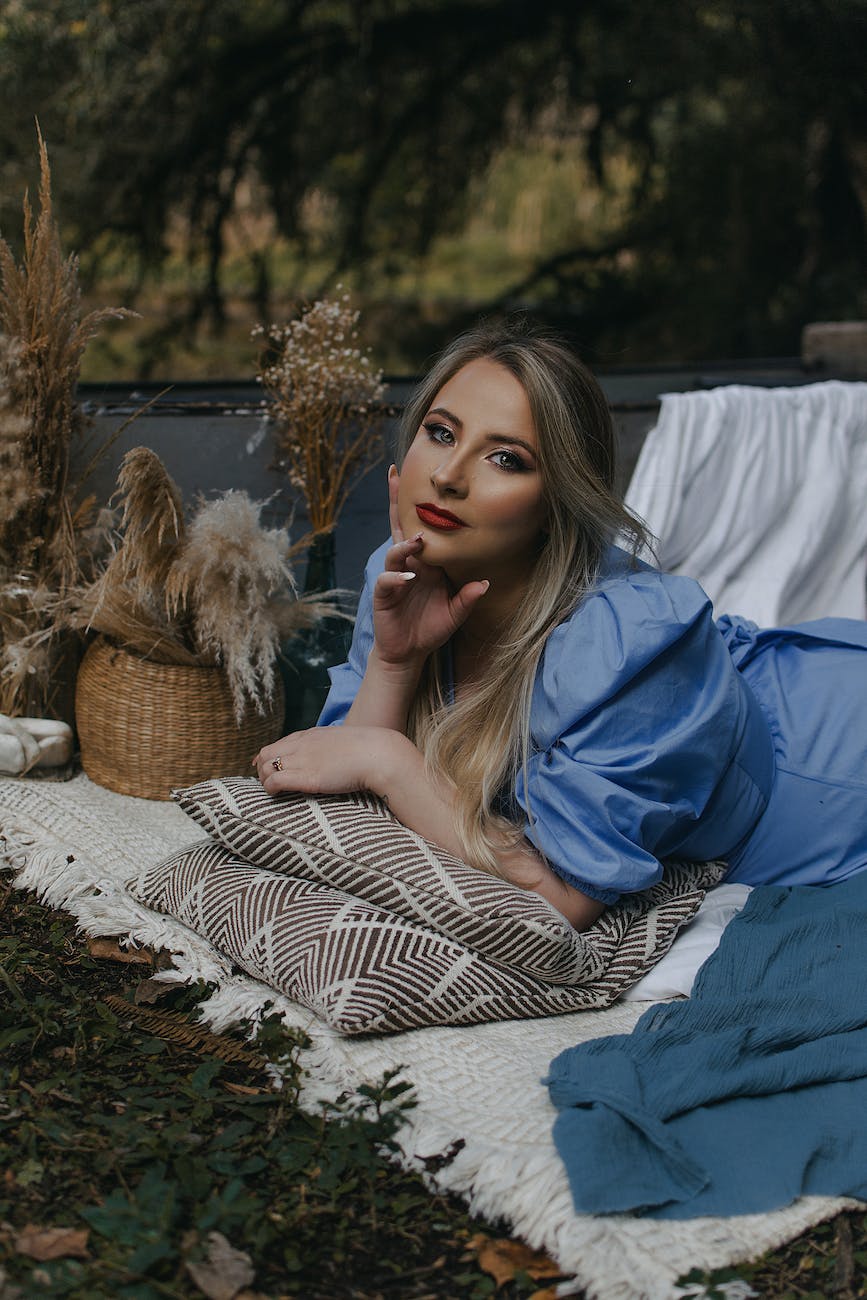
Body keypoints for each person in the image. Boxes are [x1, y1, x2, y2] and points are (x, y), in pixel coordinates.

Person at [253, 320, 867, 931]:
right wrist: (395, 662)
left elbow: (564, 900)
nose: (448, 475)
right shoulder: (408, 576)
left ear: (558, 502)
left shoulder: (626, 644)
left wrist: (391, 763)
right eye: (440, 433)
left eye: (505, 458)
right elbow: (341, 792)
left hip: (833, 771)